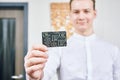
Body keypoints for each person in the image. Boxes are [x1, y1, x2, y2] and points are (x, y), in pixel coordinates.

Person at [24, 0, 120, 80]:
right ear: (70, 15)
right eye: (76, 12)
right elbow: (45, 73)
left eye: (86, 11)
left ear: (94, 14)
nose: (81, 17)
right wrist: (35, 76)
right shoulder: (59, 49)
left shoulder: (113, 50)